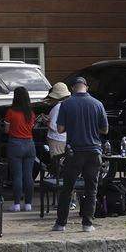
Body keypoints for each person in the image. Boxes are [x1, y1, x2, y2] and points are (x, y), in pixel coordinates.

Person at [50, 75, 109, 233]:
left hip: (74, 152)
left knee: (68, 188)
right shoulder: (98, 104)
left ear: (72, 89)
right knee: (91, 188)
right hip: (94, 151)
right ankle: (87, 224)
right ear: (86, 87)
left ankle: (61, 224)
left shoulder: (66, 104)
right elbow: (105, 129)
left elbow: (60, 129)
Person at [2, 86, 38, 212]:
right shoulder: (31, 113)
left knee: (17, 175)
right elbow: (31, 128)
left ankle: (16, 204)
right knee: (28, 175)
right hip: (29, 144)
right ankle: (28, 204)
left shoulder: (10, 112)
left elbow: (7, 130)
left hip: (15, 143)